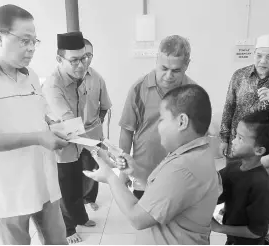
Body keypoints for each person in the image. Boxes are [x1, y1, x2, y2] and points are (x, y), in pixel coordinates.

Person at [0, 4, 69, 245]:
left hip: (44, 182)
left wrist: (58, 129)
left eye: (34, 41)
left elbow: (43, 117)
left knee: (58, 241)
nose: (31, 49)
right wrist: (38, 137)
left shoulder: (31, 76)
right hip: (8, 192)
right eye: (24, 40)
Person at [85, 84, 220, 244]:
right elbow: (165, 192)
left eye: (162, 119)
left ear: (182, 121)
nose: (158, 127)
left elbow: (138, 218)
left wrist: (110, 177)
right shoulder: (193, 154)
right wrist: (135, 172)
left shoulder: (183, 169)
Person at [42, 32, 111, 244]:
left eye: (84, 58)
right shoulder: (54, 86)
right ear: (59, 59)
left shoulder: (90, 75)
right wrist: (104, 149)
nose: (81, 65)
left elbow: (103, 107)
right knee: (67, 186)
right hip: (64, 142)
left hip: (83, 139)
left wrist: (97, 139)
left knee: (82, 182)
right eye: (74, 60)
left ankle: (80, 217)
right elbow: (69, 123)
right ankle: (68, 228)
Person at [119, 35, 195, 199]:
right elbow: (126, 131)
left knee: (172, 222)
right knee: (145, 219)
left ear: (187, 65)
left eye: (176, 70)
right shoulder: (138, 89)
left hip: (179, 173)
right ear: (156, 60)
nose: (168, 76)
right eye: (164, 68)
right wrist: (123, 172)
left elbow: (197, 137)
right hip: (144, 172)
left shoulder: (193, 92)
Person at [212, 110, 269, 244]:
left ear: (259, 151)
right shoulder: (234, 166)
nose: (233, 141)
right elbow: (216, 185)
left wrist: (219, 228)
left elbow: (256, 232)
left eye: (240, 138)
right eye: (235, 135)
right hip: (232, 240)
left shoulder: (260, 185)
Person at [220, 34, 269, 158]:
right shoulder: (239, 76)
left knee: (259, 176)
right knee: (233, 175)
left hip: (266, 147)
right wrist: (224, 139)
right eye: (259, 55)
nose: (263, 61)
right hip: (237, 144)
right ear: (254, 53)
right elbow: (229, 107)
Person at [81, 38, 112, 211]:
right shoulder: (61, 80)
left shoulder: (97, 78)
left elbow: (105, 106)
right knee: (71, 172)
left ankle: (89, 198)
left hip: (91, 132)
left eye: (89, 55)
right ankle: (74, 204)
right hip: (70, 135)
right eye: (81, 55)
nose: (85, 59)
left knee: (92, 167)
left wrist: (97, 122)